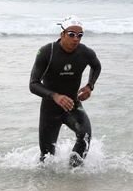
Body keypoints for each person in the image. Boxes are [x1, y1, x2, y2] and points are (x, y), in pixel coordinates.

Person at [29, 16, 101, 167]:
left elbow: (96, 66)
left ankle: (74, 174)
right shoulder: (47, 52)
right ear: (62, 34)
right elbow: (33, 84)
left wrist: (90, 86)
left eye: (80, 35)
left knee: (85, 136)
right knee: (47, 158)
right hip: (50, 108)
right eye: (71, 34)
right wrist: (54, 96)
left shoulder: (85, 52)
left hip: (72, 105)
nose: (76, 39)